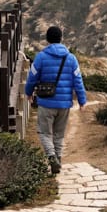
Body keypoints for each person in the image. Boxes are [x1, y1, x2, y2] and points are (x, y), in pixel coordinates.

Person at [24, 26, 87, 175]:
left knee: (44, 133)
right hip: (64, 103)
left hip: (46, 102)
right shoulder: (71, 58)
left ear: (47, 39)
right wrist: (82, 100)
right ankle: (58, 160)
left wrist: (28, 92)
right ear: (61, 38)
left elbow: (32, 77)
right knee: (59, 134)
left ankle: (52, 157)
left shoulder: (41, 57)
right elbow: (78, 80)